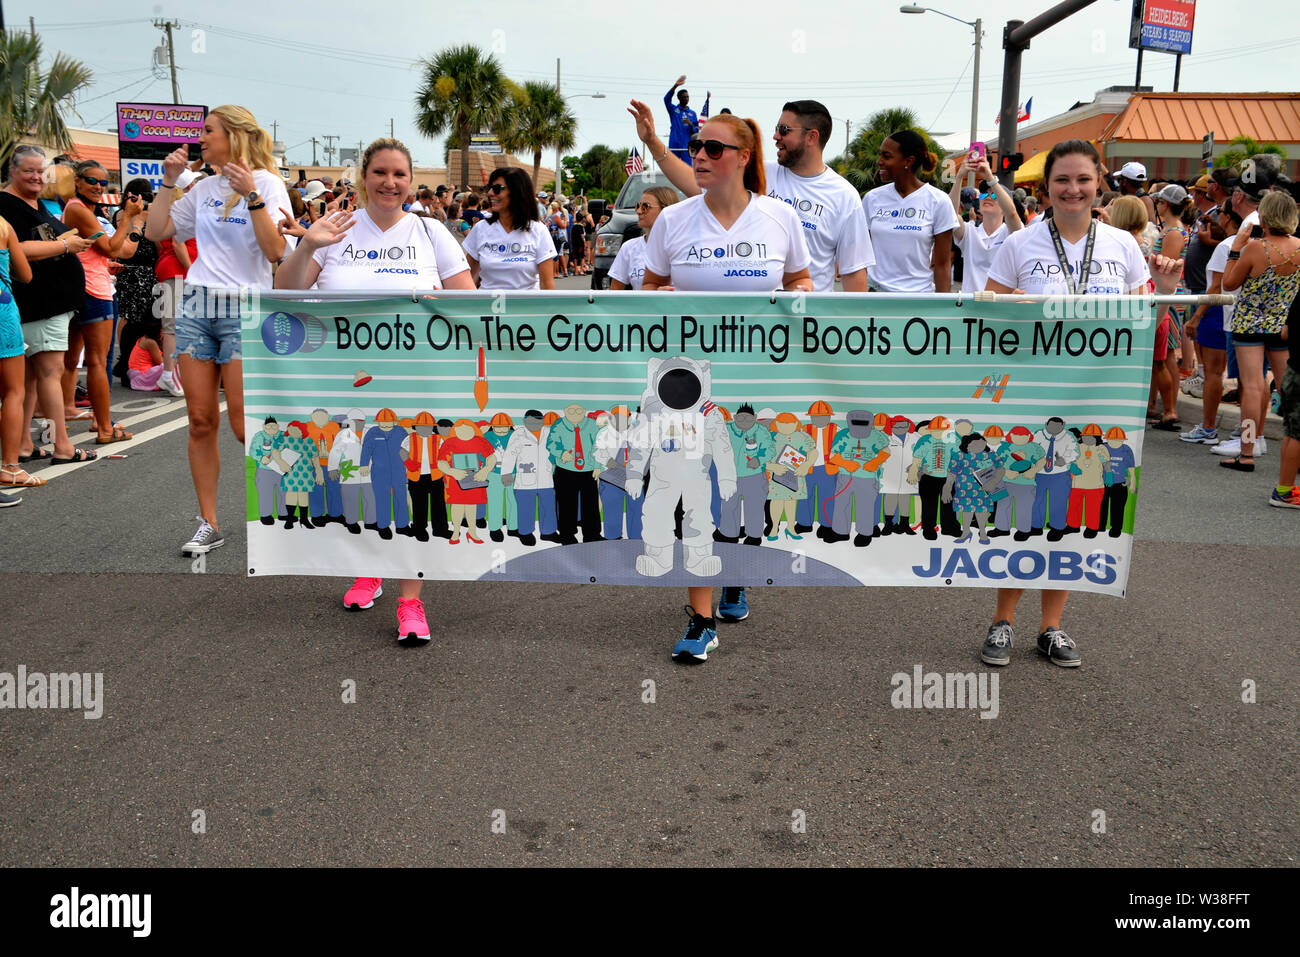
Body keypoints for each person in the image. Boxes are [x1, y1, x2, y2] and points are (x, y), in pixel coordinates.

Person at [980, 138, 1179, 669]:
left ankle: (1051, 627)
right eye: (1061, 180)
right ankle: (1002, 622)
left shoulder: (1121, 244)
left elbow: (1144, 321)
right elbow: (988, 316)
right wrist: (1015, 306)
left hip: (1098, 397)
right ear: (1046, 189)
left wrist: (1162, 288)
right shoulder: (1020, 245)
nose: (1072, 189)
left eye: (1082, 180)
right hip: (1030, 395)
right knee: (1021, 508)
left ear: (1099, 185)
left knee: (1069, 510)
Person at [275, 137, 475, 645]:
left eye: (400, 174)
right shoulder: (335, 231)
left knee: (412, 484)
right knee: (357, 479)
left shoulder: (432, 233)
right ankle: (369, 567)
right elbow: (285, 293)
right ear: (364, 176)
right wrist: (308, 246)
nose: (390, 182)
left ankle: (412, 600)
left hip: (418, 380)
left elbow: (470, 304)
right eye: (380, 172)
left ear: (411, 181)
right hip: (344, 381)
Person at [639, 111, 812, 663]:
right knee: (695, 485)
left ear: (744, 154)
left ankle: (734, 570)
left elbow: (801, 282)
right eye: (696, 146)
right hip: (689, 384)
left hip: (758, 380)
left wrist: (794, 301)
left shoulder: (779, 218)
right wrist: (663, 297)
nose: (701, 156)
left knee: (741, 486)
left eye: (714, 147)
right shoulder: (674, 221)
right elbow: (647, 290)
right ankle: (701, 618)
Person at [144, 104, 293, 557]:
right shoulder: (203, 187)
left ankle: (290, 505)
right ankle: (209, 522)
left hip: (245, 308)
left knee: (244, 425)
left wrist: (252, 195)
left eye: (208, 131)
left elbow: (275, 251)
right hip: (195, 305)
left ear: (234, 136)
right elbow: (157, 230)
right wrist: (168, 182)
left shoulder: (268, 184)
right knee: (200, 420)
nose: (201, 138)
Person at [632, 96, 873, 293]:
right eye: (697, 149)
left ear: (811, 137)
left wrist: (848, 332)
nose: (775, 136)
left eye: (784, 130)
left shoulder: (844, 196)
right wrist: (652, 141)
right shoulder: (760, 173)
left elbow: (852, 272)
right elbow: (695, 183)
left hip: (791, 332)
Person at [0, 146, 97, 469]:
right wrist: (66, 244)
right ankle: (62, 444)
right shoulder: (6, 204)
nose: (37, 177)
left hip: (50, 303)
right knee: (49, 374)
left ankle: (25, 444)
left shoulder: (36, 203)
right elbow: (20, 248)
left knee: (29, 378)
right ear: (12, 171)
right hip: (39, 303)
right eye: (29, 171)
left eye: (41, 171)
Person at [1220, 189, 1300, 472]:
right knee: (1289, 389)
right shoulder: (1299, 247)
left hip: (1250, 325)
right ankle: (1296, 449)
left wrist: (1234, 250)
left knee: (1252, 388)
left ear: (1264, 216)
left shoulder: (1256, 248)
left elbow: (1229, 283)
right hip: (1282, 324)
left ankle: (1247, 451)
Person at [62, 160, 138, 445]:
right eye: (92, 181)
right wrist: (129, 218)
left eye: (102, 183)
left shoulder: (80, 208)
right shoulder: (79, 210)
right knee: (96, 361)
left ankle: (69, 412)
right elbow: (110, 247)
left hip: (85, 285)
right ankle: (104, 427)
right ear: (77, 181)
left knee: (72, 360)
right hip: (93, 290)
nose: (97, 187)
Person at [1181, 203, 1243, 446]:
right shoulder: (1253, 244)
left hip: (1217, 309)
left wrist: (1196, 317)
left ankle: (1208, 428)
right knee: (1248, 378)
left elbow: (1215, 287)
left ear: (1227, 217)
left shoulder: (1227, 246)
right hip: (1240, 312)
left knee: (1214, 374)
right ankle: (1247, 430)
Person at [862, 130, 956, 291]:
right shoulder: (872, 199)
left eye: (887, 156)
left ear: (908, 161)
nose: (879, 161)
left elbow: (942, 265)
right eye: (880, 155)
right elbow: (861, 256)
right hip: (875, 296)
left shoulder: (938, 201)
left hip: (918, 298)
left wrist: (943, 311)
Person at [150, 169, 202, 396]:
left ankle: (172, 374)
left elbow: (162, 245)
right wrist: (192, 271)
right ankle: (169, 375)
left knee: (175, 326)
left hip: (173, 270)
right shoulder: (181, 211)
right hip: (178, 272)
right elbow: (178, 244)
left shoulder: (174, 210)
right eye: (192, 184)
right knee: (173, 327)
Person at [464, 168, 556, 290]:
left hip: (526, 307)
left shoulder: (539, 230)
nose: (490, 193)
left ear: (517, 192)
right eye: (490, 188)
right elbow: (466, 279)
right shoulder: (480, 228)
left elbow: (547, 285)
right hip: (487, 307)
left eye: (497, 189)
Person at [0, 208, 36, 494]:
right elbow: (25, 274)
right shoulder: (3, 226)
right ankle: (10, 467)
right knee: (13, 391)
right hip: (3, 313)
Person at [948, 157, 1024, 292]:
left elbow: (1012, 213)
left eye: (994, 195)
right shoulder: (970, 232)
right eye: (984, 194)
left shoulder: (1011, 233)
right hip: (971, 308)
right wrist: (959, 176)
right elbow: (950, 214)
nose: (988, 197)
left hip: (1000, 308)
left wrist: (990, 177)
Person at [608, 186, 679, 290]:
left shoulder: (685, 246)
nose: (639, 211)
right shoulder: (629, 248)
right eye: (638, 206)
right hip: (643, 306)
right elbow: (614, 293)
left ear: (666, 210)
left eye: (645, 207)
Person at [664, 76, 699, 165]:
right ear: (679, 98)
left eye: (687, 97)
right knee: (673, 167)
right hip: (674, 143)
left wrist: (690, 124)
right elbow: (666, 99)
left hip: (686, 144)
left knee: (687, 168)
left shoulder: (692, 113)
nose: (686, 99)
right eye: (684, 97)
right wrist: (675, 85)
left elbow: (696, 130)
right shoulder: (673, 109)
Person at [125, 313, 166, 391]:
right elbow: (160, 362)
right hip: (142, 375)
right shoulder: (150, 342)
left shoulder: (147, 339)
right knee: (168, 367)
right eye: (162, 329)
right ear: (158, 331)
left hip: (141, 373)